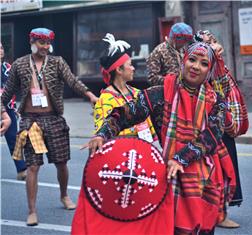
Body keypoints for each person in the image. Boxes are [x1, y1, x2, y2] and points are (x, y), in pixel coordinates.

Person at [87, 41, 236, 234]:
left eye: (203, 63)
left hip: (205, 178)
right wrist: (102, 134)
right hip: (169, 174)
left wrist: (180, 158)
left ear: (209, 70)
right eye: (192, 59)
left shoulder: (217, 100)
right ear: (183, 61)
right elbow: (126, 114)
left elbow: (212, 136)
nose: (195, 67)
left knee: (203, 230)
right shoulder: (160, 93)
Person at [71, 34, 171, 235]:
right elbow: (106, 135)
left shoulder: (137, 94)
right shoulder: (106, 99)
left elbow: (150, 128)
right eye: (130, 65)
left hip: (143, 160)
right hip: (121, 166)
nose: (134, 68)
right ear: (118, 69)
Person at [1, 28, 98, 226]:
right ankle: (32, 210)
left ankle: (64, 195)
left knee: (61, 163)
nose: (45, 47)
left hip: (54, 119)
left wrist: (90, 95)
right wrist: (5, 115)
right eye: (41, 43)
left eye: (47, 43)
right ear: (32, 41)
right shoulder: (19, 65)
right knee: (33, 167)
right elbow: (4, 95)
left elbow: (72, 81)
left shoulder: (57, 62)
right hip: (30, 121)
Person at [193, 30, 249, 229]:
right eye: (208, 43)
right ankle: (217, 213)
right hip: (209, 124)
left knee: (225, 166)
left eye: (214, 41)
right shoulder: (204, 65)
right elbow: (219, 91)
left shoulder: (218, 65)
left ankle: (219, 210)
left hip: (221, 122)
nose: (214, 45)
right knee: (217, 169)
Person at [0, 42, 27, 180]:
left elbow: (15, 87)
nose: (0, 50)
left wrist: (16, 108)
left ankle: (21, 169)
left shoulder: (8, 68)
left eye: (2, 47)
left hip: (8, 108)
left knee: (13, 139)